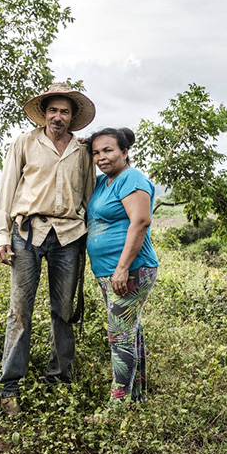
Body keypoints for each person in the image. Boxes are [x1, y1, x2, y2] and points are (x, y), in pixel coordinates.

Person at [0, 82, 96, 417]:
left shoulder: (82, 151)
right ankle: (10, 387)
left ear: (72, 117)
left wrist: (96, 239)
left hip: (68, 234)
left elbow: (89, 198)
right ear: (44, 113)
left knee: (63, 311)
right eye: (53, 110)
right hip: (27, 231)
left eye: (65, 111)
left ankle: (60, 380)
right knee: (20, 311)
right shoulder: (25, 142)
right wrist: (1, 234)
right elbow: (7, 188)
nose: (58, 117)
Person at [85, 127, 160, 414]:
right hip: (110, 272)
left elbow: (140, 222)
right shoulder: (105, 181)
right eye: (96, 152)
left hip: (130, 271)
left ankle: (116, 407)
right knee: (129, 331)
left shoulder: (132, 178)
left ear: (124, 152)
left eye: (108, 150)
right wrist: (83, 145)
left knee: (119, 335)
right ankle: (136, 396)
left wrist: (122, 268)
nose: (101, 157)